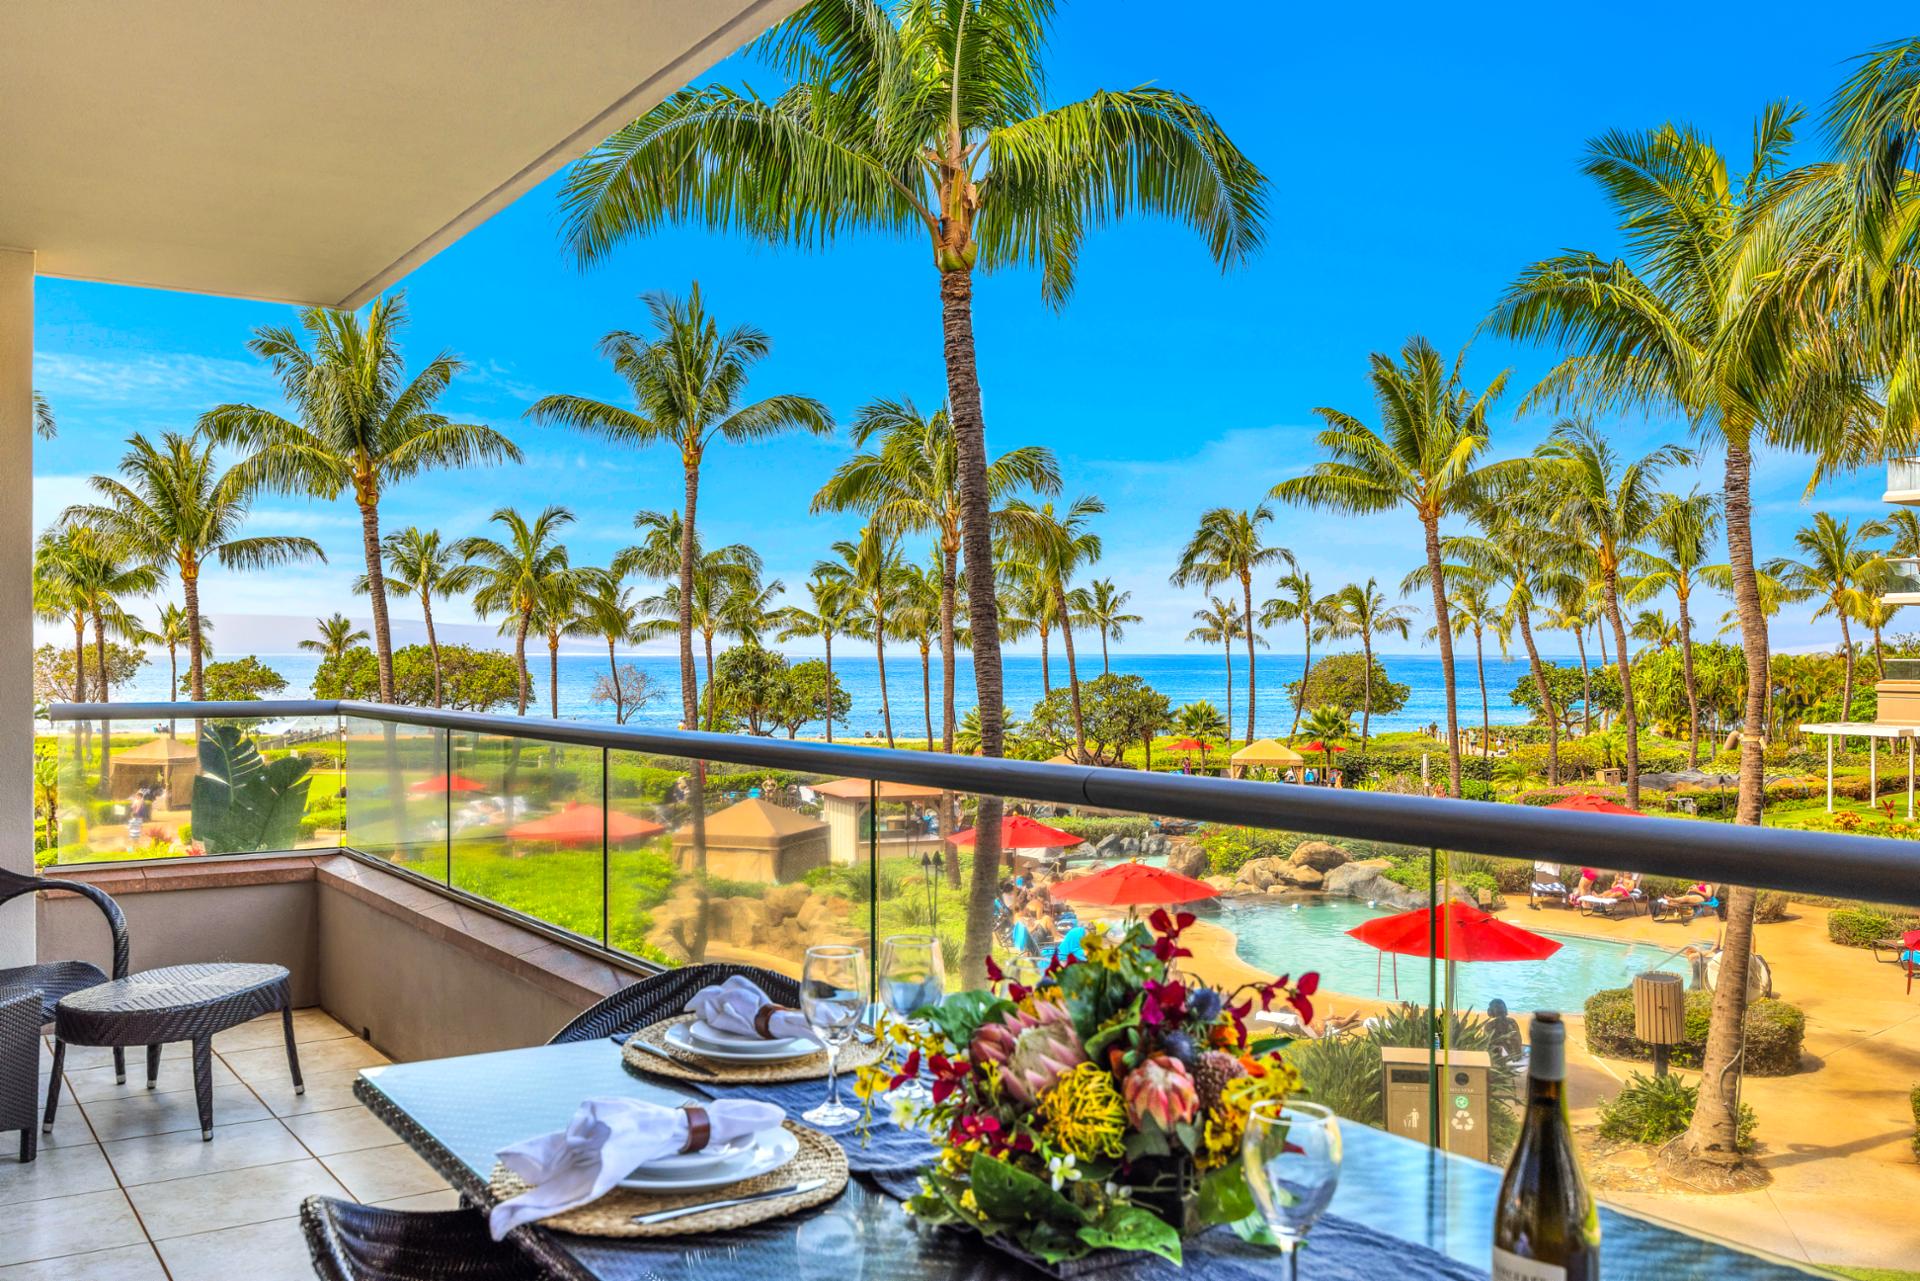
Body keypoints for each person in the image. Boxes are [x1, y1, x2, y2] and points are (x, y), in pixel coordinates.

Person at [1485, 998, 1524, 1073]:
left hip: (1503, 1060)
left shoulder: (1489, 1025)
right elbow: (1518, 1039)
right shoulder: (1512, 1021)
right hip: (1518, 1056)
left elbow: (1488, 1044)